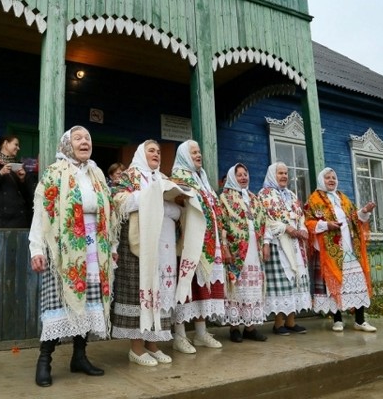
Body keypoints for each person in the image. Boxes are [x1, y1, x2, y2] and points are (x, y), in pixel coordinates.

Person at [28, 125, 119, 387]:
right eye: (78, 138)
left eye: (87, 138)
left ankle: (79, 357)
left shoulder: (97, 174)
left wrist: (112, 248)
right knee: (58, 304)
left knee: (87, 303)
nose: (84, 142)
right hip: (64, 251)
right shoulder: (54, 172)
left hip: (94, 249)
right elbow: (41, 212)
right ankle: (44, 360)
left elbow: (109, 214)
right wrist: (36, 249)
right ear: (67, 144)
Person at [111, 140, 188, 366]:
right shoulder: (129, 176)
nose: (156, 154)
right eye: (151, 151)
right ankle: (136, 348)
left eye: (158, 151)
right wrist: (152, 195)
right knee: (139, 294)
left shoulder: (164, 179)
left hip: (163, 246)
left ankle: (153, 345)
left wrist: (165, 203)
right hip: (138, 245)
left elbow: (177, 211)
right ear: (140, 154)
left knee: (160, 293)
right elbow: (119, 203)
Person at [304, 167, 377, 333]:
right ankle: (337, 319)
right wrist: (326, 225)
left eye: (333, 177)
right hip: (330, 249)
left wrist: (364, 211)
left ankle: (360, 320)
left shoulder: (343, 198)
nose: (331, 180)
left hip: (349, 247)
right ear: (321, 180)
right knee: (334, 283)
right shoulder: (314, 200)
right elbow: (308, 223)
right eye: (328, 177)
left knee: (356, 281)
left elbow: (353, 218)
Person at [170, 139, 225, 354]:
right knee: (186, 285)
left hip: (209, 241)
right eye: (193, 153)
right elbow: (178, 204)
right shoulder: (178, 177)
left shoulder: (201, 179)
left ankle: (201, 333)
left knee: (203, 286)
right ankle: (180, 335)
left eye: (199, 152)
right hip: (189, 240)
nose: (198, 155)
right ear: (184, 155)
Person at [258, 162, 311, 336]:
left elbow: (300, 216)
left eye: (286, 173)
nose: (284, 176)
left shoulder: (291, 194)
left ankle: (291, 322)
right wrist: (285, 228)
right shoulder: (264, 194)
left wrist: (302, 228)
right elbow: (264, 220)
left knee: (296, 281)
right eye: (280, 173)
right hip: (278, 243)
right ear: (272, 175)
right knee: (283, 282)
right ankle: (278, 323)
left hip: (295, 243)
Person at [219, 163, 267, 343]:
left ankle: (250, 327)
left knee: (252, 286)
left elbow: (263, 222)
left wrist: (265, 244)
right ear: (232, 177)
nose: (243, 177)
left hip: (254, 248)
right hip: (236, 250)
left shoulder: (254, 198)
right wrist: (225, 247)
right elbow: (222, 224)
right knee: (237, 286)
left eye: (245, 174)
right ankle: (234, 327)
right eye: (239, 175)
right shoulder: (225, 198)